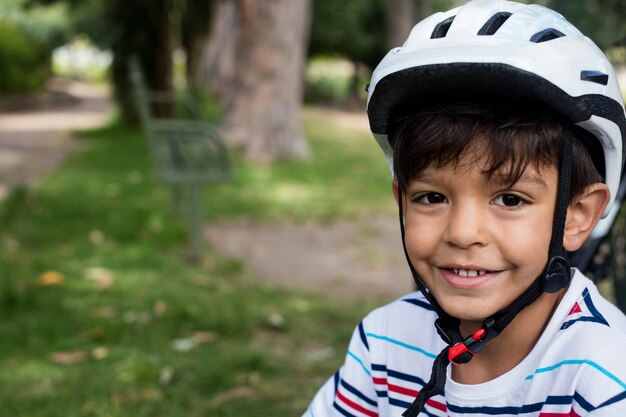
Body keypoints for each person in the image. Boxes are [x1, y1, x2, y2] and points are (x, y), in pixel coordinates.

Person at [303, 1, 626, 416]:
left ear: (579, 215)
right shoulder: (385, 341)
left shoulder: (605, 378)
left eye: (510, 199)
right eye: (432, 197)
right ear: (401, 201)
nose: (462, 232)